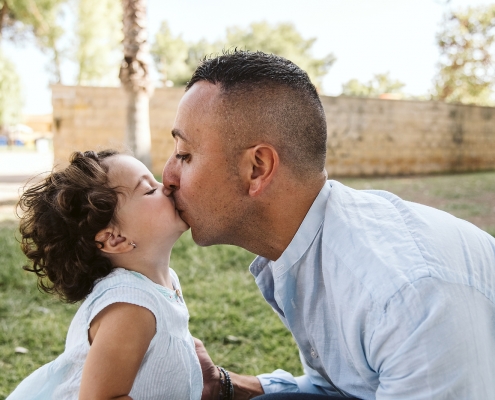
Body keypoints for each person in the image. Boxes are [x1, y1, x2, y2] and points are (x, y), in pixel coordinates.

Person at [161, 50, 495, 400]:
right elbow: (350, 388)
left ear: (257, 168)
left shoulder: (404, 298)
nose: (167, 177)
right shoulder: (308, 243)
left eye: (185, 155)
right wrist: (224, 385)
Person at [8, 150, 202, 400]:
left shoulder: (162, 281)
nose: (165, 186)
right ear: (115, 238)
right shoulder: (130, 308)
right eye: (149, 190)